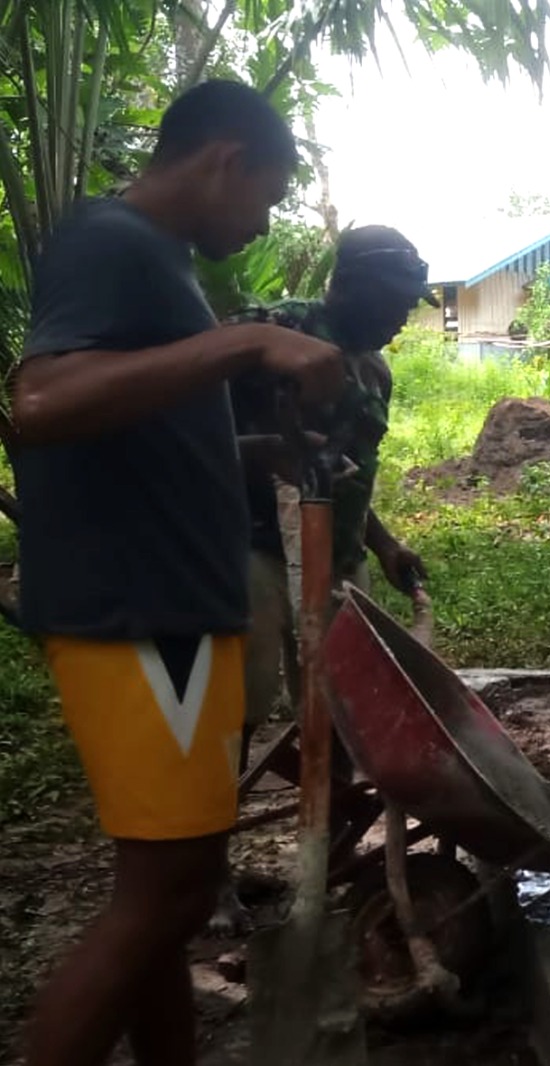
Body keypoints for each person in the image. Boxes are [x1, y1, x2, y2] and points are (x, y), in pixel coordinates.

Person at [6, 80, 343, 1066]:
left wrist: (253, 451)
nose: (264, 223)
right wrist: (247, 339)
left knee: (159, 894)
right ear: (227, 160)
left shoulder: (157, 260)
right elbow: (40, 402)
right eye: (267, 197)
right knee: (171, 894)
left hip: (162, 608)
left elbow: (132, 426)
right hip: (143, 615)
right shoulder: (111, 242)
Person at [209, 226, 434, 933]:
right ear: (351, 284)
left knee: (339, 712)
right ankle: (209, 878)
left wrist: (385, 544)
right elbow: (186, 430)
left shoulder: (374, 371)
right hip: (253, 551)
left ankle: (326, 857)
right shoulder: (276, 332)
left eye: (411, 304)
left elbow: (347, 476)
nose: (403, 317)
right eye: (395, 301)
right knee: (238, 713)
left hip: (335, 560)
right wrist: (264, 452)